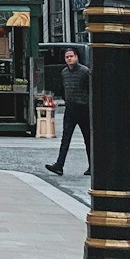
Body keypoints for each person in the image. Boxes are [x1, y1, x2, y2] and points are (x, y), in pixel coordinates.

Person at [45, 48, 90, 177]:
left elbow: (89, 90)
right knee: (65, 138)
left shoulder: (84, 72)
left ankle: (92, 166)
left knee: (88, 138)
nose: (69, 59)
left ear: (76, 57)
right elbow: (63, 88)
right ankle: (59, 165)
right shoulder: (64, 72)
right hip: (70, 108)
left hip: (83, 108)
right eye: (67, 57)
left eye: (71, 56)